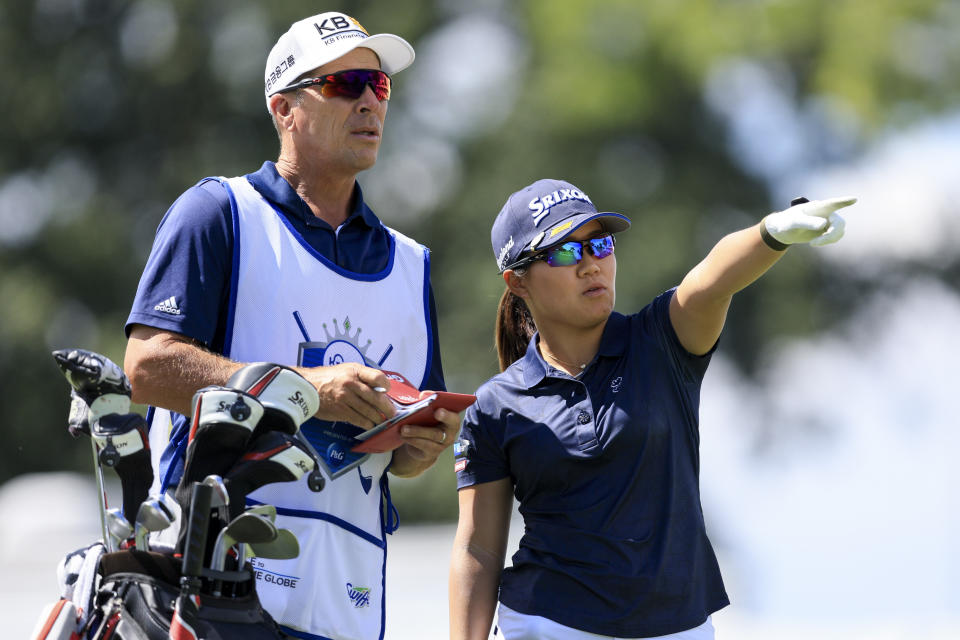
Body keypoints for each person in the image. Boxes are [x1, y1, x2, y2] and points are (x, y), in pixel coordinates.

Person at [123, 11, 460, 640]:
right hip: (210, 591)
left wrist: (419, 447)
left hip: (348, 607)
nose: (369, 101)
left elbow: (405, 455)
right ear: (284, 110)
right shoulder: (218, 213)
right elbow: (147, 368)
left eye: (379, 86)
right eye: (345, 84)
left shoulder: (412, 265)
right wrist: (307, 389)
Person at [449, 178, 855, 639]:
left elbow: (710, 282)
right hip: (549, 623)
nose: (590, 265)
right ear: (517, 280)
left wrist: (772, 232)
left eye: (599, 245)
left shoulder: (661, 341)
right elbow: (479, 549)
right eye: (565, 252)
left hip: (677, 626)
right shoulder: (495, 404)